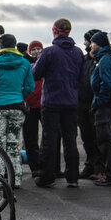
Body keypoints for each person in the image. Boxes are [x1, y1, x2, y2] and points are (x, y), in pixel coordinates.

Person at [32, 19, 84, 188]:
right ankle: (73, 176)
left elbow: (36, 74)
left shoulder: (48, 52)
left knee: (50, 139)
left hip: (52, 101)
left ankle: (47, 176)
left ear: (54, 31)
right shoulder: (77, 52)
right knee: (70, 139)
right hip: (71, 101)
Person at [0, 34, 34, 187]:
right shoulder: (25, 63)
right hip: (17, 107)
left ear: (0, 45)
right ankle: (16, 179)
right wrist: (19, 95)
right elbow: (30, 87)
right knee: (13, 143)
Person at [88, 31, 111, 186]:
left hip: (107, 107)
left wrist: (100, 102)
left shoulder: (105, 60)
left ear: (99, 44)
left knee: (107, 141)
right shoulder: (107, 58)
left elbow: (106, 83)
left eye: (92, 42)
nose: (90, 45)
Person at [78, 30, 104, 179]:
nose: (85, 44)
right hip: (82, 103)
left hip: (96, 103)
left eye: (87, 41)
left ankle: (100, 168)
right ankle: (90, 164)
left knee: (98, 137)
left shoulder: (101, 59)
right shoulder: (84, 59)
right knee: (86, 136)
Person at [22, 40, 44, 175]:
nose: (36, 51)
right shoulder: (26, 66)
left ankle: (48, 164)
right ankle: (35, 167)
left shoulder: (45, 63)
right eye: (33, 49)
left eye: (38, 49)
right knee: (30, 138)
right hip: (29, 105)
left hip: (43, 104)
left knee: (48, 136)